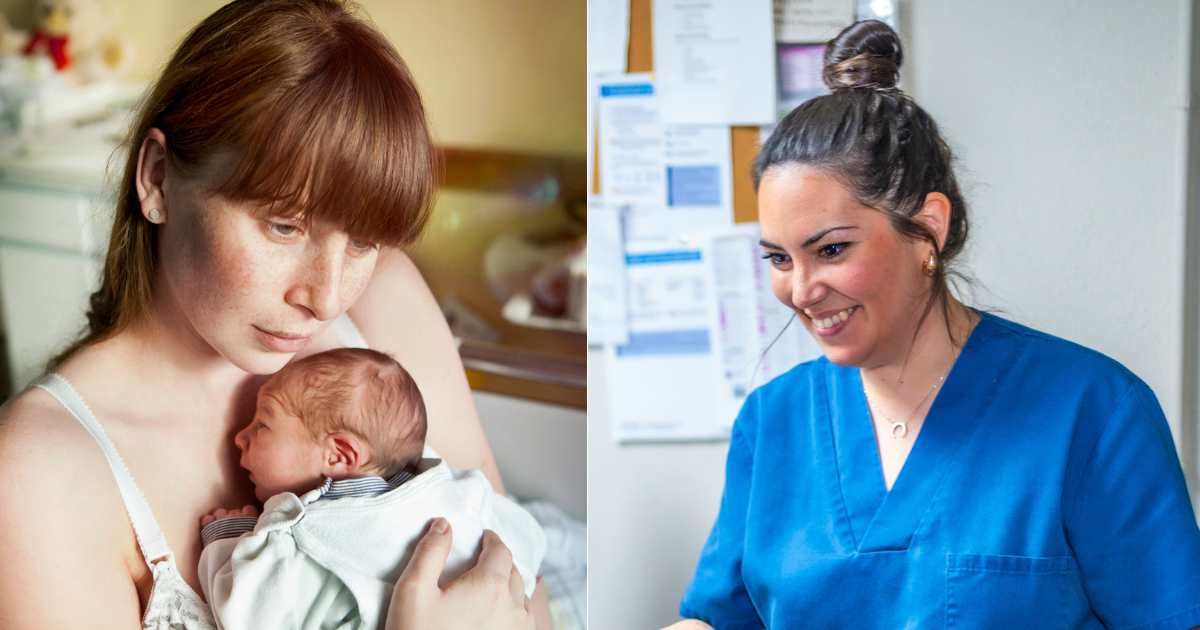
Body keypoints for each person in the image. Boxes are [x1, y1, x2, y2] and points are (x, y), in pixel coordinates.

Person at [0, 1, 549, 628]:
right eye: (284, 226)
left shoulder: (383, 299)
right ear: (156, 179)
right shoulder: (38, 476)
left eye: (363, 242)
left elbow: (521, 577)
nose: (327, 297)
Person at [669, 20, 1200, 629]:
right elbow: (717, 619)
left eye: (833, 250)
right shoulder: (773, 421)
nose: (802, 290)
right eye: (779, 259)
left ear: (928, 228)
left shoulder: (1094, 412)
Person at [197, 347, 546, 629]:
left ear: (338, 454)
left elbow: (248, 612)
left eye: (263, 424)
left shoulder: (314, 537)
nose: (240, 437)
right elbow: (524, 534)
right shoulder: (455, 485)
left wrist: (229, 540)